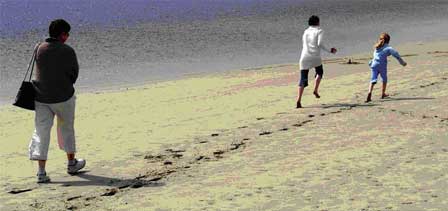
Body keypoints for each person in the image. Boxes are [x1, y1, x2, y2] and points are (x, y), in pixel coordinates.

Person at [29, 19, 85, 183]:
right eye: (67, 33)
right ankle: (71, 164)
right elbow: (74, 74)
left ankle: (41, 172)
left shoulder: (39, 48)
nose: (67, 36)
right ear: (62, 35)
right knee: (66, 129)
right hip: (63, 97)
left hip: (41, 97)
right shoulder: (67, 51)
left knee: (41, 132)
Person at [296, 15, 337, 108]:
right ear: (317, 22)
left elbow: (304, 44)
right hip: (315, 57)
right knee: (320, 72)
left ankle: (298, 100)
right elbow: (320, 44)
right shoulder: (319, 31)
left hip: (304, 57)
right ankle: (315, 90)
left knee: (303, 79)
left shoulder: (305, 32)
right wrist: (330, 50)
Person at [365, 33, 407, 102]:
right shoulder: (388, 48)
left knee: (372, 79)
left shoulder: (377, 46)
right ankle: (383, 93)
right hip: (382, 65)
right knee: (384, 79)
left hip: (374, 64)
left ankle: (369, 93)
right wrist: (402, 62)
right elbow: (396, 54)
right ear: (388, 41)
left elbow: (375, 56)